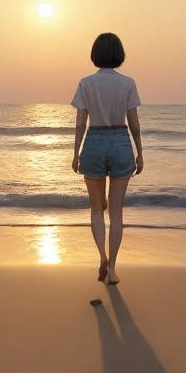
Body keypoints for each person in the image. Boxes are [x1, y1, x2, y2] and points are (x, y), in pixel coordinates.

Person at [71, 33, 144, 285]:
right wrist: (139, 151)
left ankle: (101, 257)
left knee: (96, 209)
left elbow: (81, 122)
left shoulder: (86, 83)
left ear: (95, 54)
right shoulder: (127, 83)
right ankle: (112, 269)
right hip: (121, 140)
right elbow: (133, 122)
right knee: (116, 212)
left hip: (95, 139)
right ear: (119, 54)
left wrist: (75, 152)